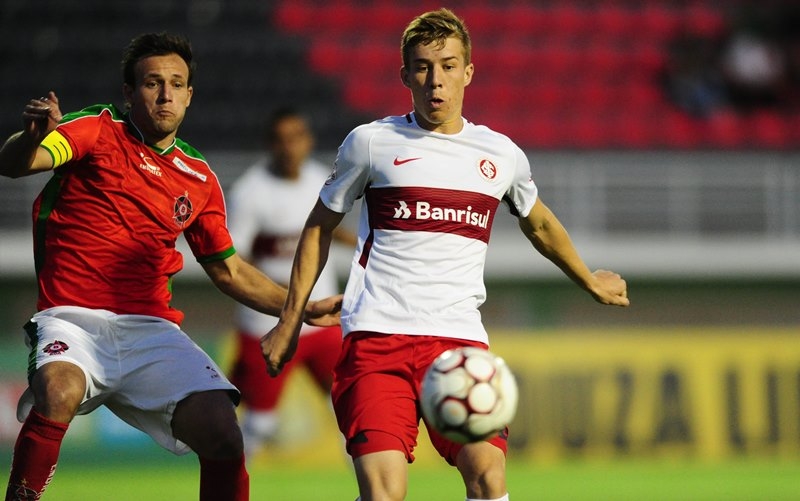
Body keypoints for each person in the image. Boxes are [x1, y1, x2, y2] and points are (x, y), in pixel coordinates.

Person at [261, 8, 629, 501]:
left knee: (489, 479)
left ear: (468, 72)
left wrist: (586, 278)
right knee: (385, 493)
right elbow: (317, 229)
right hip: (377, 339)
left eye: (449, 66)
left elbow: (537, 221)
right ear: (405, 74)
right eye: (423, 67)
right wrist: (290, 320)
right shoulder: (370, 143)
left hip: (457, 345)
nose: (436, 80)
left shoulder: (500, 154)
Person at [0, 32, 340, 501]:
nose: (165, 94)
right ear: (128, 92)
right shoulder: (95, 129)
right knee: (59, 390)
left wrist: (299, 307)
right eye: (152, 83)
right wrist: (30, 138)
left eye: (176, 84)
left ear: (189, 95)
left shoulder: (198, 176)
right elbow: (17, 164)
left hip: (150, 330)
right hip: (72, 320)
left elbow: (230, 271)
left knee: (223, 431)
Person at [225, 107, 356, 456]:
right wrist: (275, 287)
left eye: (296, 138)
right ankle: (234, 485)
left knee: (350, 408)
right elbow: (235, 257)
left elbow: (327, 231)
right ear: (270, 144)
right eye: (281, 140)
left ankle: (372, 490)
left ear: (308, 141)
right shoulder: (251, 191)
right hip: (268, 322)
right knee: (260, 422)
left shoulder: (320, 180)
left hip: (321, 320)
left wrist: (362, 245)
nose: (290, 147)